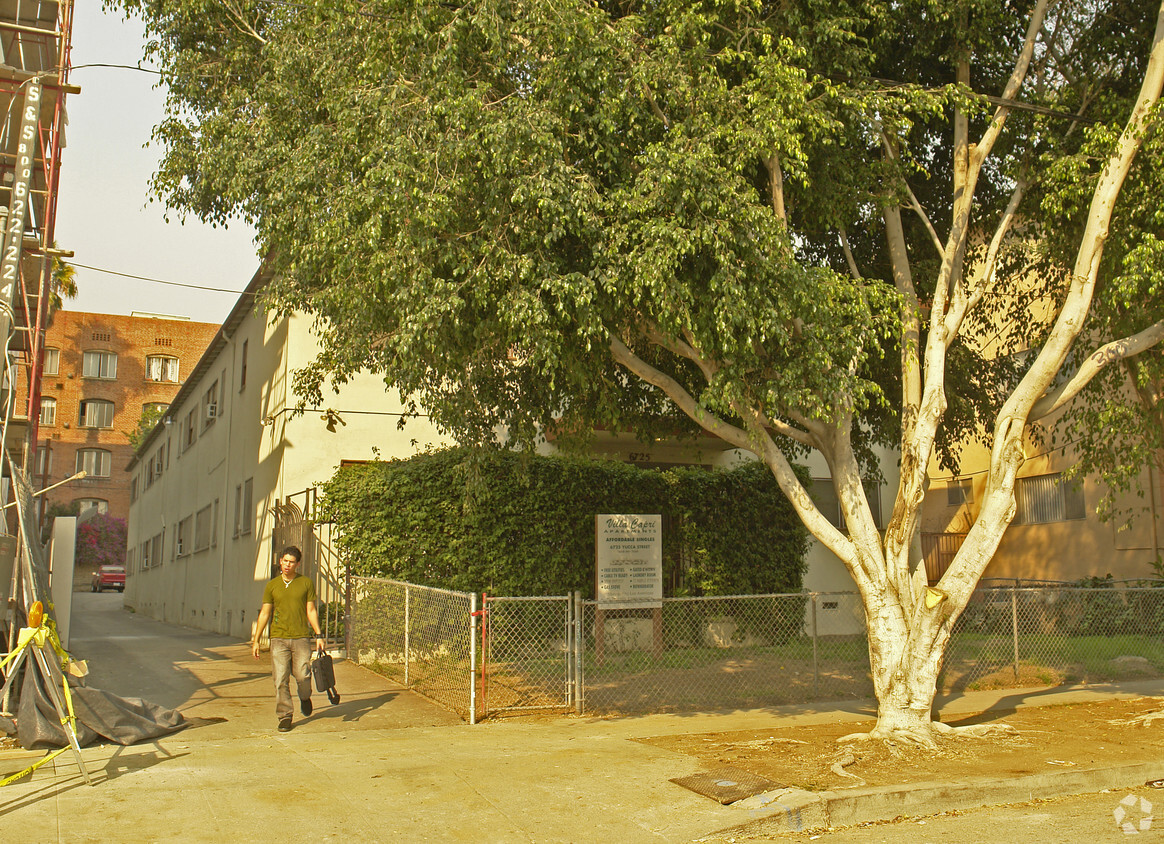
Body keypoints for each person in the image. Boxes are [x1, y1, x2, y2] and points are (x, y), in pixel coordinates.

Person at [251, 546, 326, 732]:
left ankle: (305, 696)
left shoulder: (306, 583)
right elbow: (265, 612)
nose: (287, 565)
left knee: (303, 676)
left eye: (291, 562)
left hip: (300, 637)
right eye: (285, 561)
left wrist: (318, 635)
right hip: (279, 638)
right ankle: (285, 716)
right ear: (280, 561)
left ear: (297, 564)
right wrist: (256, 640)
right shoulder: (272, 585)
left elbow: (311, 610)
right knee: (280, 679)